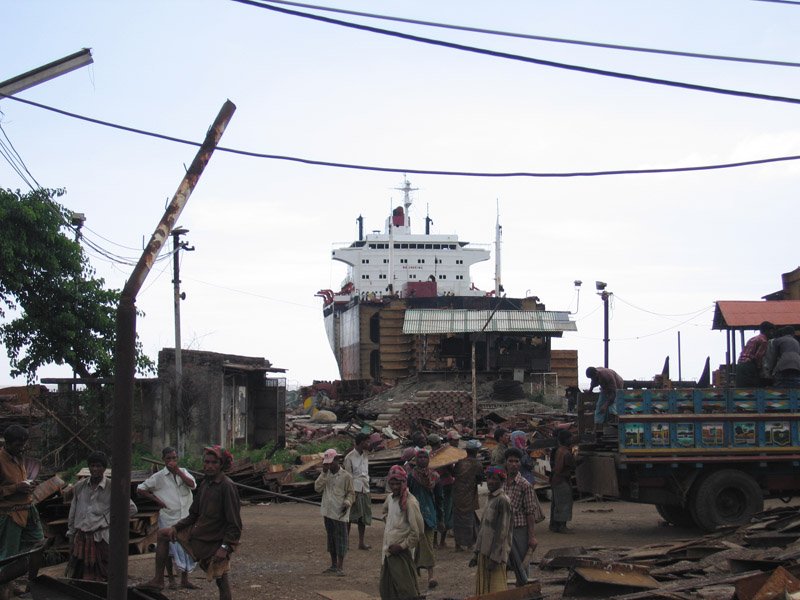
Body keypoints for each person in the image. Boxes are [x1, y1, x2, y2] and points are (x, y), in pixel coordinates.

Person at [140, 445, 242, 600]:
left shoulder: (226, 486)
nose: (209, 466)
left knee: (222, 581)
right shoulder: (205, 484)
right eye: (206, 462)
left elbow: (235, 523)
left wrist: (225, 547)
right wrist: (176, 527)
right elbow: (193, 514)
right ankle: (158, 580)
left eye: (214, 462)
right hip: (198, 535)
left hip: (215, 541)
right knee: (163, 534)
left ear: (221, 465)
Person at [67, 450, 137, 581]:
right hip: (81, 537)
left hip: (101, 537)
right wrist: (71, 533)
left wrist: (109, 520)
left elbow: (132, 509)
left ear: (104, 468)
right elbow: (73, 511)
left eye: (99, 466)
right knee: (80, 576)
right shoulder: (80, 486)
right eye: (92, 465)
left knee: (104, 574)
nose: (95, 469)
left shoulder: (112, 486)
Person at [137, 446, 198, 590]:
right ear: (163, 460)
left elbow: (193, 485)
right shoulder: (159, 477)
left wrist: (178, 472)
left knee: (186, 547)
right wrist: (156, 500)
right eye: (168, 458)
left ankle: (184, 579)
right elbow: (140, 488)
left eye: (174, 458)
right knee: (168, 549)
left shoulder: (183, 472)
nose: (172, 461)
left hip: (185, 517)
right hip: (169, 517)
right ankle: (170, 579)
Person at [379, 465, 424, 600]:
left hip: (401, 553)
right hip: (388, 551)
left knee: (407, 590)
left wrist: (402, 545)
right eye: (392, 484)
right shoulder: (390, 499)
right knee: (387, 589)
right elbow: (385, 512)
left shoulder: (410, 502)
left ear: (404, 482)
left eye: (397, 484)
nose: (394, 487)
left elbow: (418, 531)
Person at [0, 426, 42, 561]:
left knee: (37, 543)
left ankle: (21, 573)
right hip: (11, 514)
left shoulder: (19, 457)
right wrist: (15, 488)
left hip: (29, 509)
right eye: (18, 445)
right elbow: (12, 487)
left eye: (23, 444)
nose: (21, 448)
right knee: (9, 553)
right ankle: (5, 579)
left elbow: (20, 481)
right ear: (7, 443)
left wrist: (29, 486)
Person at [469, 467, 512, 594]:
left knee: (496, 590)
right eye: (489, 478)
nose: (490, 481)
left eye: (495, 478)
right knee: (484, 589)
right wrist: (476, 553)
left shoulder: (503, 501)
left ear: (502, 481)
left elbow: (502, 533)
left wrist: (495, 558)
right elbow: (482, 529)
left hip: (495, 555)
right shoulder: (490, 499)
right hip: (484, 551)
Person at [314, 448, 355, 576]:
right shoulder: (326, 475)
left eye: (331, 463)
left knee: (341, 539)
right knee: (331, 539)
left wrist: (347, 503)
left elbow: (351, 493)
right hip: (328, 512)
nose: (329, 465)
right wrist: (324, 473)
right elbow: (317, 488)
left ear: (337, 460)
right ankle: (333, 565)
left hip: (340, 512)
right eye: (327, 464)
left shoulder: (346, 476)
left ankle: (340, 566)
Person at [406, 448, 442, 590]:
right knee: (413, 546)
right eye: (419, 457)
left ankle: (430, 575)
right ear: (415, 459)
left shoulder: (435, 477)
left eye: (424, 457)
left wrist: (440, 518)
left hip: (429, 516)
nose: (422, 459)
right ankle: (415, 574)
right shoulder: (411, 477)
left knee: (427, 545)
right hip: (414, 514)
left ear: (428, 459)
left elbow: (440, 499)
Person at [503, 447, 539, 587]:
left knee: (522, 565)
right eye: (510, 461)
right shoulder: (502, 482)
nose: (513, 464)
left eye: (516, 461)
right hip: (504, 529)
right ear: (506, 463)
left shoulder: (525, 485)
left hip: (519, 529)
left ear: (520, 463)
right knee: (503, 562)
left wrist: (531, 536)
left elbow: (530, 512)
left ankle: (523, 590)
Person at [452, 440, 484, 551]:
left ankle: (458, 544)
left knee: (458, 519)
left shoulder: (460, 462)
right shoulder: (477, 464)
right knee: (468, 518)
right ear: (476, 451)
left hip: (457, 493)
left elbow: (454, 473)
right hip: (469, 493)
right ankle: (470, 543)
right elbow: (480, 478)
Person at [344, 433, 372, 551]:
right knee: (349, 517)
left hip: (365, 489)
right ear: (361, 443)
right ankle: (346, 542)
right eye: (367, 442)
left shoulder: (365, 455)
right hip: (354, 489)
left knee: (363, 518)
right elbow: (348, 477)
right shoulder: (349, 458)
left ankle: (361, 542)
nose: (368, 444)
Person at [549, 430, 576, 533]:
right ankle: (562, 526)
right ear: (566, 439)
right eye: (570, 438)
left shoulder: (559, 450)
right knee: (565, 502)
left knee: (557, 503)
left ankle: (554, 525)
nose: (571, 440)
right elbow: (573, 465)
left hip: (556, 479)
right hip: (562, 480)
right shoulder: (566, 453)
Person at [736, 321, 774, 387]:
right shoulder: (764, 341)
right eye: (772, 332)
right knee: (753, 389)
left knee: (742, 389)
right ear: (768, 331)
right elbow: (758, 358)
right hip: (749, 367)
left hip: (740, 365)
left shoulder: (753, 339)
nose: (772, 334)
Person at [586, 366, 624, 431]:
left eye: (593, 377)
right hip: (605, 387)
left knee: (612, 406)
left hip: (617, 386)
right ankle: (598, 426)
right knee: (599, 406)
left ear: (596, 373)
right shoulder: (594, 375)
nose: (592, 379)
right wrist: (589, 391)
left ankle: (613, 422)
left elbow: (613, 393)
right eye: (591, 378)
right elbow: (593, 383)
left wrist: (605, 405)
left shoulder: (607, 376)